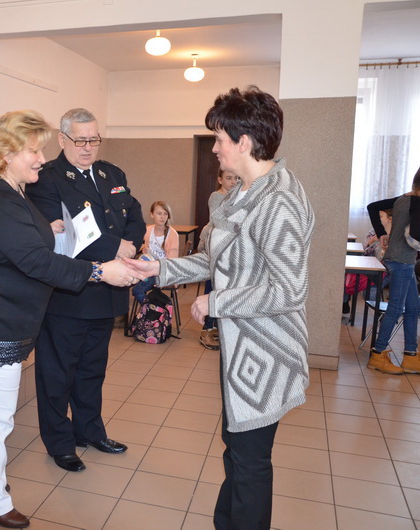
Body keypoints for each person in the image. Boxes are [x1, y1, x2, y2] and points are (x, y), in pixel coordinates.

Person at [123, 86, 315, 529]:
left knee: (250, 461)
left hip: (267, 354)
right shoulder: (241, 193)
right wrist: (158, 268)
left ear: (243, 142)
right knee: (236, 448)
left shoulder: (280, 200)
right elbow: (212, 258)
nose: (214, 148)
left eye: (219, 139)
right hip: (242, 351)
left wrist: (217, 300)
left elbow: (290, 290)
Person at [0, 110, 138, 528]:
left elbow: (20, 243)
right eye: (33, 150)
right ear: (6, 153)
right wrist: (98, 271)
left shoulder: (6, 189)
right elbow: (35, 260)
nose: (40, 158)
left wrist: (51, 232)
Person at [25, 108, 146, 472]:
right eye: (80, 140)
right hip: (69, 294)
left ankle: (90, 431)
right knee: (57, 374)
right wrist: (117, 248)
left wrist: (130, 244)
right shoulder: (46, 179)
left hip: (107, 292)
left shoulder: (112, 173)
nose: (88, 147)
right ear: (62, 139)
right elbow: (66, 236)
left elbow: (134, 214)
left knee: (93, 370)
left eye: (94, 139)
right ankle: (59, 443)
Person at [367, 166, 420, 375]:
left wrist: (381, 233)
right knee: (396, 308)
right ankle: (378, 354)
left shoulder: (403, 199)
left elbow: (372, 207)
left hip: (401, 259)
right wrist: (381, 232)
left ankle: (411, 356)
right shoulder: (416, 202)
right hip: (402, 261)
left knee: (413, 308)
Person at [197, 169, 240, 349]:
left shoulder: (237, 196)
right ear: (220, 180)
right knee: (212, 287)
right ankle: (206, 329)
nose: (233, 182)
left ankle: (218, 327)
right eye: (229, 178)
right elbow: (220, 222)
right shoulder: (216, 196)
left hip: (230, 249)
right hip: (215, 248)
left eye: (236, 178)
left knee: (225, 289)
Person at [131, 200, 178, 302]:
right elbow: (142, 246)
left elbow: (172, 262)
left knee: (137, 290)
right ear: (152, 214)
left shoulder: (172, 234)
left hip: (161, 272)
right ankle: (151, 306)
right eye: (159, 213)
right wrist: (144, 248)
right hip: (147, 269)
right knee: (127, 279)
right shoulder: (148, 230)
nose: (162, 217)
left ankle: (151, 307)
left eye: (165, 214)